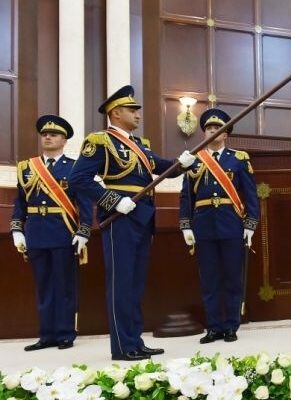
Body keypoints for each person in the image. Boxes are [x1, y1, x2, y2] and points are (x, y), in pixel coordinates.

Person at [69, 85, 196, 361]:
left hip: (143, 217)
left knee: (136, 285)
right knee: (121, 283)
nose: (138, 114)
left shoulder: (140, 145)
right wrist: (112, 200)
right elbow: (78, 179)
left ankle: (135, 340)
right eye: (132, 109)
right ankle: (122, 346)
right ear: (115, 113)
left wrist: (181, 163)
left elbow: (163, 167)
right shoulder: (99, 141)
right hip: (120, 219)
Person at [10, 115, 92, 351]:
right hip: (36, 234)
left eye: (53, 134)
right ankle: (46, 335)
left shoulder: (75, 167)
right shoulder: (27, 168)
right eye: (45, 134)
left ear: (64, 140)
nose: (47, 137)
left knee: (64, 286)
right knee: (44, 286)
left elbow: (84, 203)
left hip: (64, 233)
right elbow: (20, 203)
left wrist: (84, 231)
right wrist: (17, 229)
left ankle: (65, 334)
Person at [179, 108, 260, 344]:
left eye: (217, 128)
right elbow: (186, 196)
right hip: (203, 226)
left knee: (232, 278)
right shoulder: (194, 160)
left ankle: (231, 326)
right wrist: (186, 226)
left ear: (226, 134)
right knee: (210, 279)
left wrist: (250, 225)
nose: (213, 131)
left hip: (231, 224)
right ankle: (213, 327)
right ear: (203, 134)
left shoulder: (238, 159)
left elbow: (251, 195)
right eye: (209, 129)